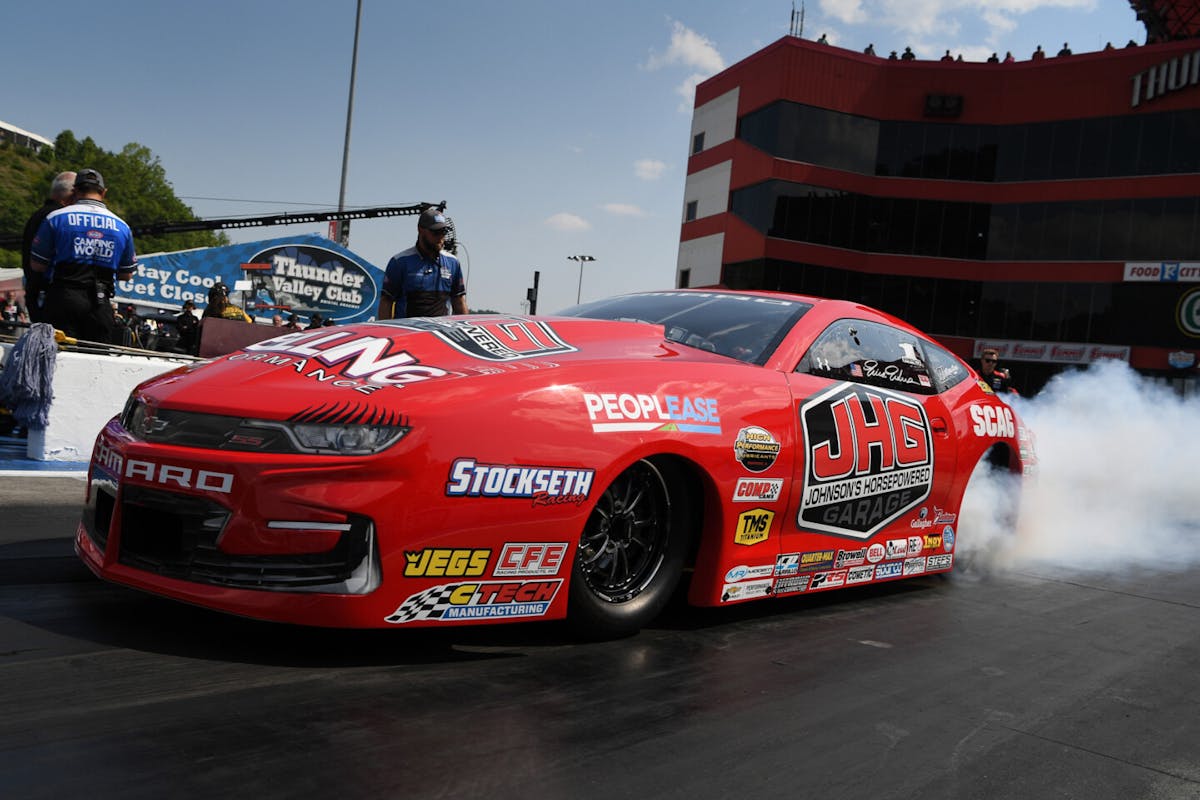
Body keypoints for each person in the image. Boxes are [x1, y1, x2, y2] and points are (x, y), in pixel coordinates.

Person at [29, 169, 135, 343]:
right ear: (104, 192)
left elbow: (37, 265)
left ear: (75, 191)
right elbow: (126, 274)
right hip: (100, 303)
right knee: (97, 361)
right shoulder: (122, 226)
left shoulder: (55, 218)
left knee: (55, 360)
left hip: (62, 299)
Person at [378, 207, 468, 319]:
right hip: (408, 333)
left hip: (440, 333)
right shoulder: (399, 262)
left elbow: (459, 301)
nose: (441, 237)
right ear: (420, 230)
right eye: (436, 232)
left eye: (443, 232)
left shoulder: (453, 262)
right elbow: (386, 301)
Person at [20, 171, 76, 323]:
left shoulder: (38, 215)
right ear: (72, 195)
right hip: (49, 293)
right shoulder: (58, 218)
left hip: (34, 290)